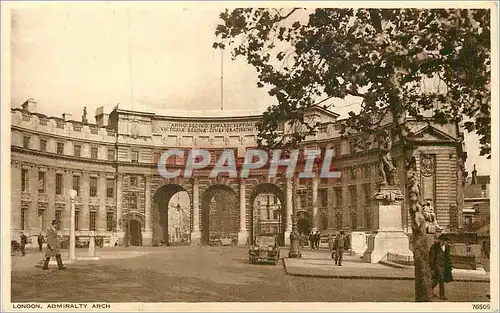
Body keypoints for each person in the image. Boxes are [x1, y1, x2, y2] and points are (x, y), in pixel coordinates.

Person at [429, 233, 453, 300]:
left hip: (444, 266)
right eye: (443, 240)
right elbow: (432, 258)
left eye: (445, 240)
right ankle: (442, 295)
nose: (444, 242)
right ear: (439, 240)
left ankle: (429, 291)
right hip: (436, 265)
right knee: (441, 279)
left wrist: (449, 266)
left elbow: (448, 257)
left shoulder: (447, 247)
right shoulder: (435, 247)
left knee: (435, 280)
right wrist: (432, 268)